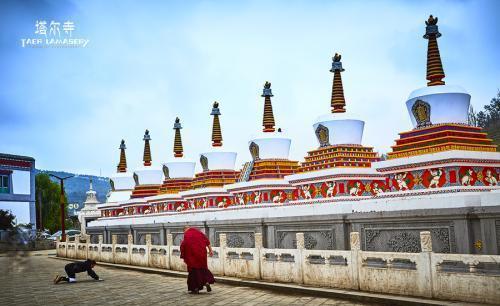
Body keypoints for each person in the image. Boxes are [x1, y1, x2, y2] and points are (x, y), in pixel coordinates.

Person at [180, 225, 215, 294]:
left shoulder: (187, 234)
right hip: (202, 254)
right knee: (203, 269)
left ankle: (195, 289)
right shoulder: (198, 232)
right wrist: (210, 250)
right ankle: (206, 282)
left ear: (185, 230)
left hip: (192, 256)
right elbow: (207, 241)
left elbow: (184, 245)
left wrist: (182, 247)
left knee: (193, 272)